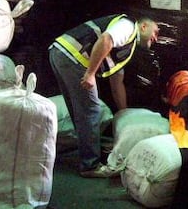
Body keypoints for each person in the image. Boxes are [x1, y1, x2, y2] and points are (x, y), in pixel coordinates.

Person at [49, 14, 159, 178]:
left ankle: (88, 155)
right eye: (156, 32)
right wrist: (90, 73)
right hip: (73, 58)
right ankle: (90, 165)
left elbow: (117, 83)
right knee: (92, 110)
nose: (156, 38)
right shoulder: (128, 27)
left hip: (60, 53)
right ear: (143, 26)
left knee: (81, 111)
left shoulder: (127, 49)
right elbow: (106, 39)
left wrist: (124, 114)